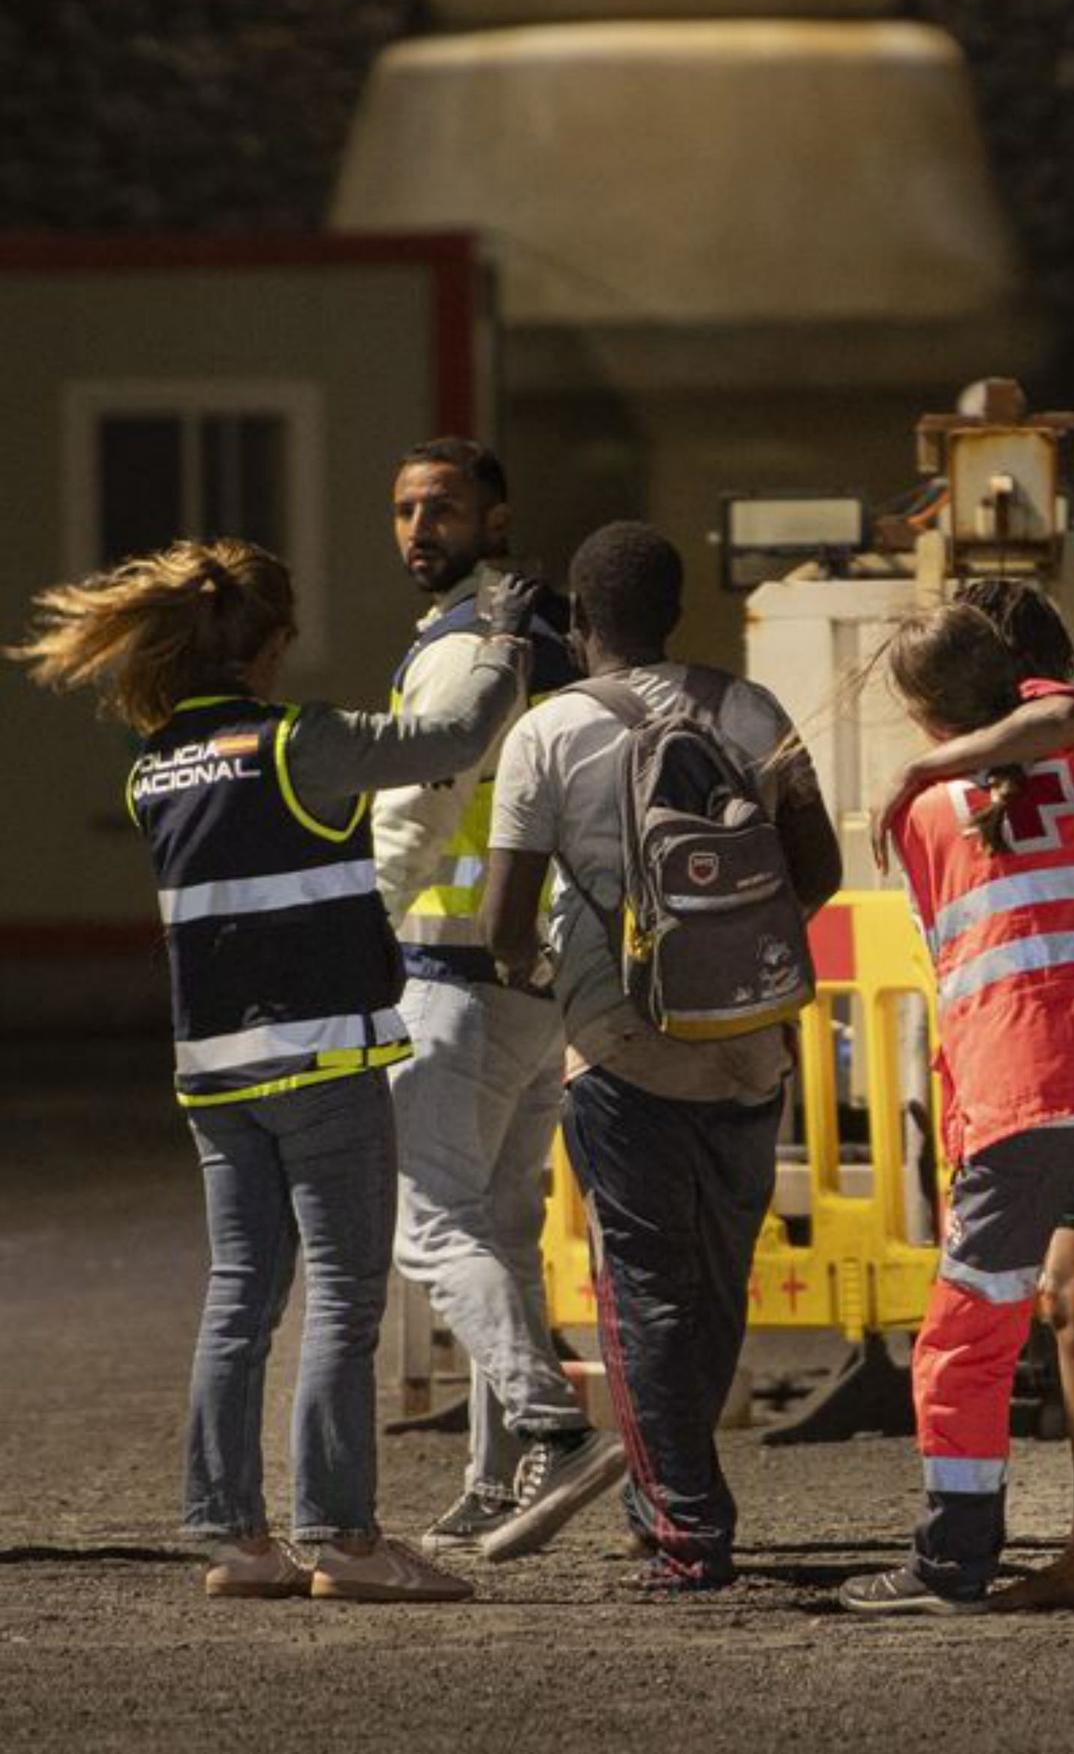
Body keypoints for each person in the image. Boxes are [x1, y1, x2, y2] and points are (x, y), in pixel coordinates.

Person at [7, 536, 536, 1604]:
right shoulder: (302, 742)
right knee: (344, 1292)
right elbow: (461, 731)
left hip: (212, 1071)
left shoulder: (156, 764)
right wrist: (502, 636)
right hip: (321, 1057)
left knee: (241, 1292)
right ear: (272, 647)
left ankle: (233, 1537)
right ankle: (342, 1536)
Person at [483, 521, 842, 1587]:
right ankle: (659, 1498)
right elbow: (815, 863)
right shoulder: (751, 708)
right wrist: (734, 957)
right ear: (676, 612)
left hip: (621, 1044)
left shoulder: (546, 734)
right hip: (750, 1044)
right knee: (718, 1275)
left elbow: (505, 916)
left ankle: (687, 1528)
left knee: (642, 1286)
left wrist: (545, 974)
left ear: (580, 623)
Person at [840, 601, 1074, 1615]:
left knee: (971, 1327)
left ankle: (952, 1558)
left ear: (919, 712)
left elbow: (946, 947)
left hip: (1025, 1077)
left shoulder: (914, 813)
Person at [374, 439, 620, 1556]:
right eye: (405, 510)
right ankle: (492, 1481)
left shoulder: (460, 646)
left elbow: (414, 816)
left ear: (497, 518)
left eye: (443, 508)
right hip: (542, 983)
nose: (420, 527)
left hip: (448, 974)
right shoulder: (557, 635)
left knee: (428, 1232)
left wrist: (359, 930)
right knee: (507, 1237)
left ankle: (549, 1423)